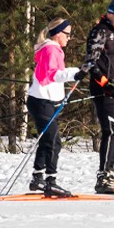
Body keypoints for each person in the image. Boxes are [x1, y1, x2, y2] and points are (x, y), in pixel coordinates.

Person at [27, 17, 84, 198]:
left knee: (47, 139)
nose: (69, 38)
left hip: (42, 101)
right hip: (42, 102)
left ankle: (38, 178)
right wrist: (76, 73)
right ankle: (50, 182)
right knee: (53, 141)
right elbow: (53, 74)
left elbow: (49, 76)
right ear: (58, 33)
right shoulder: (51, 49)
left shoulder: (51, 48)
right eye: (67, 34)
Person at [79, 0, 114, 194]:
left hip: (109, 89)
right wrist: (105, 83)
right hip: (102, 89)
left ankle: (107, 175)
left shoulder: (110, 32)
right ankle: (104, 177)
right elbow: (91, 63)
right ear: (110, 13)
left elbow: (108, 65)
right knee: (111, 131)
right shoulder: (100, 31)